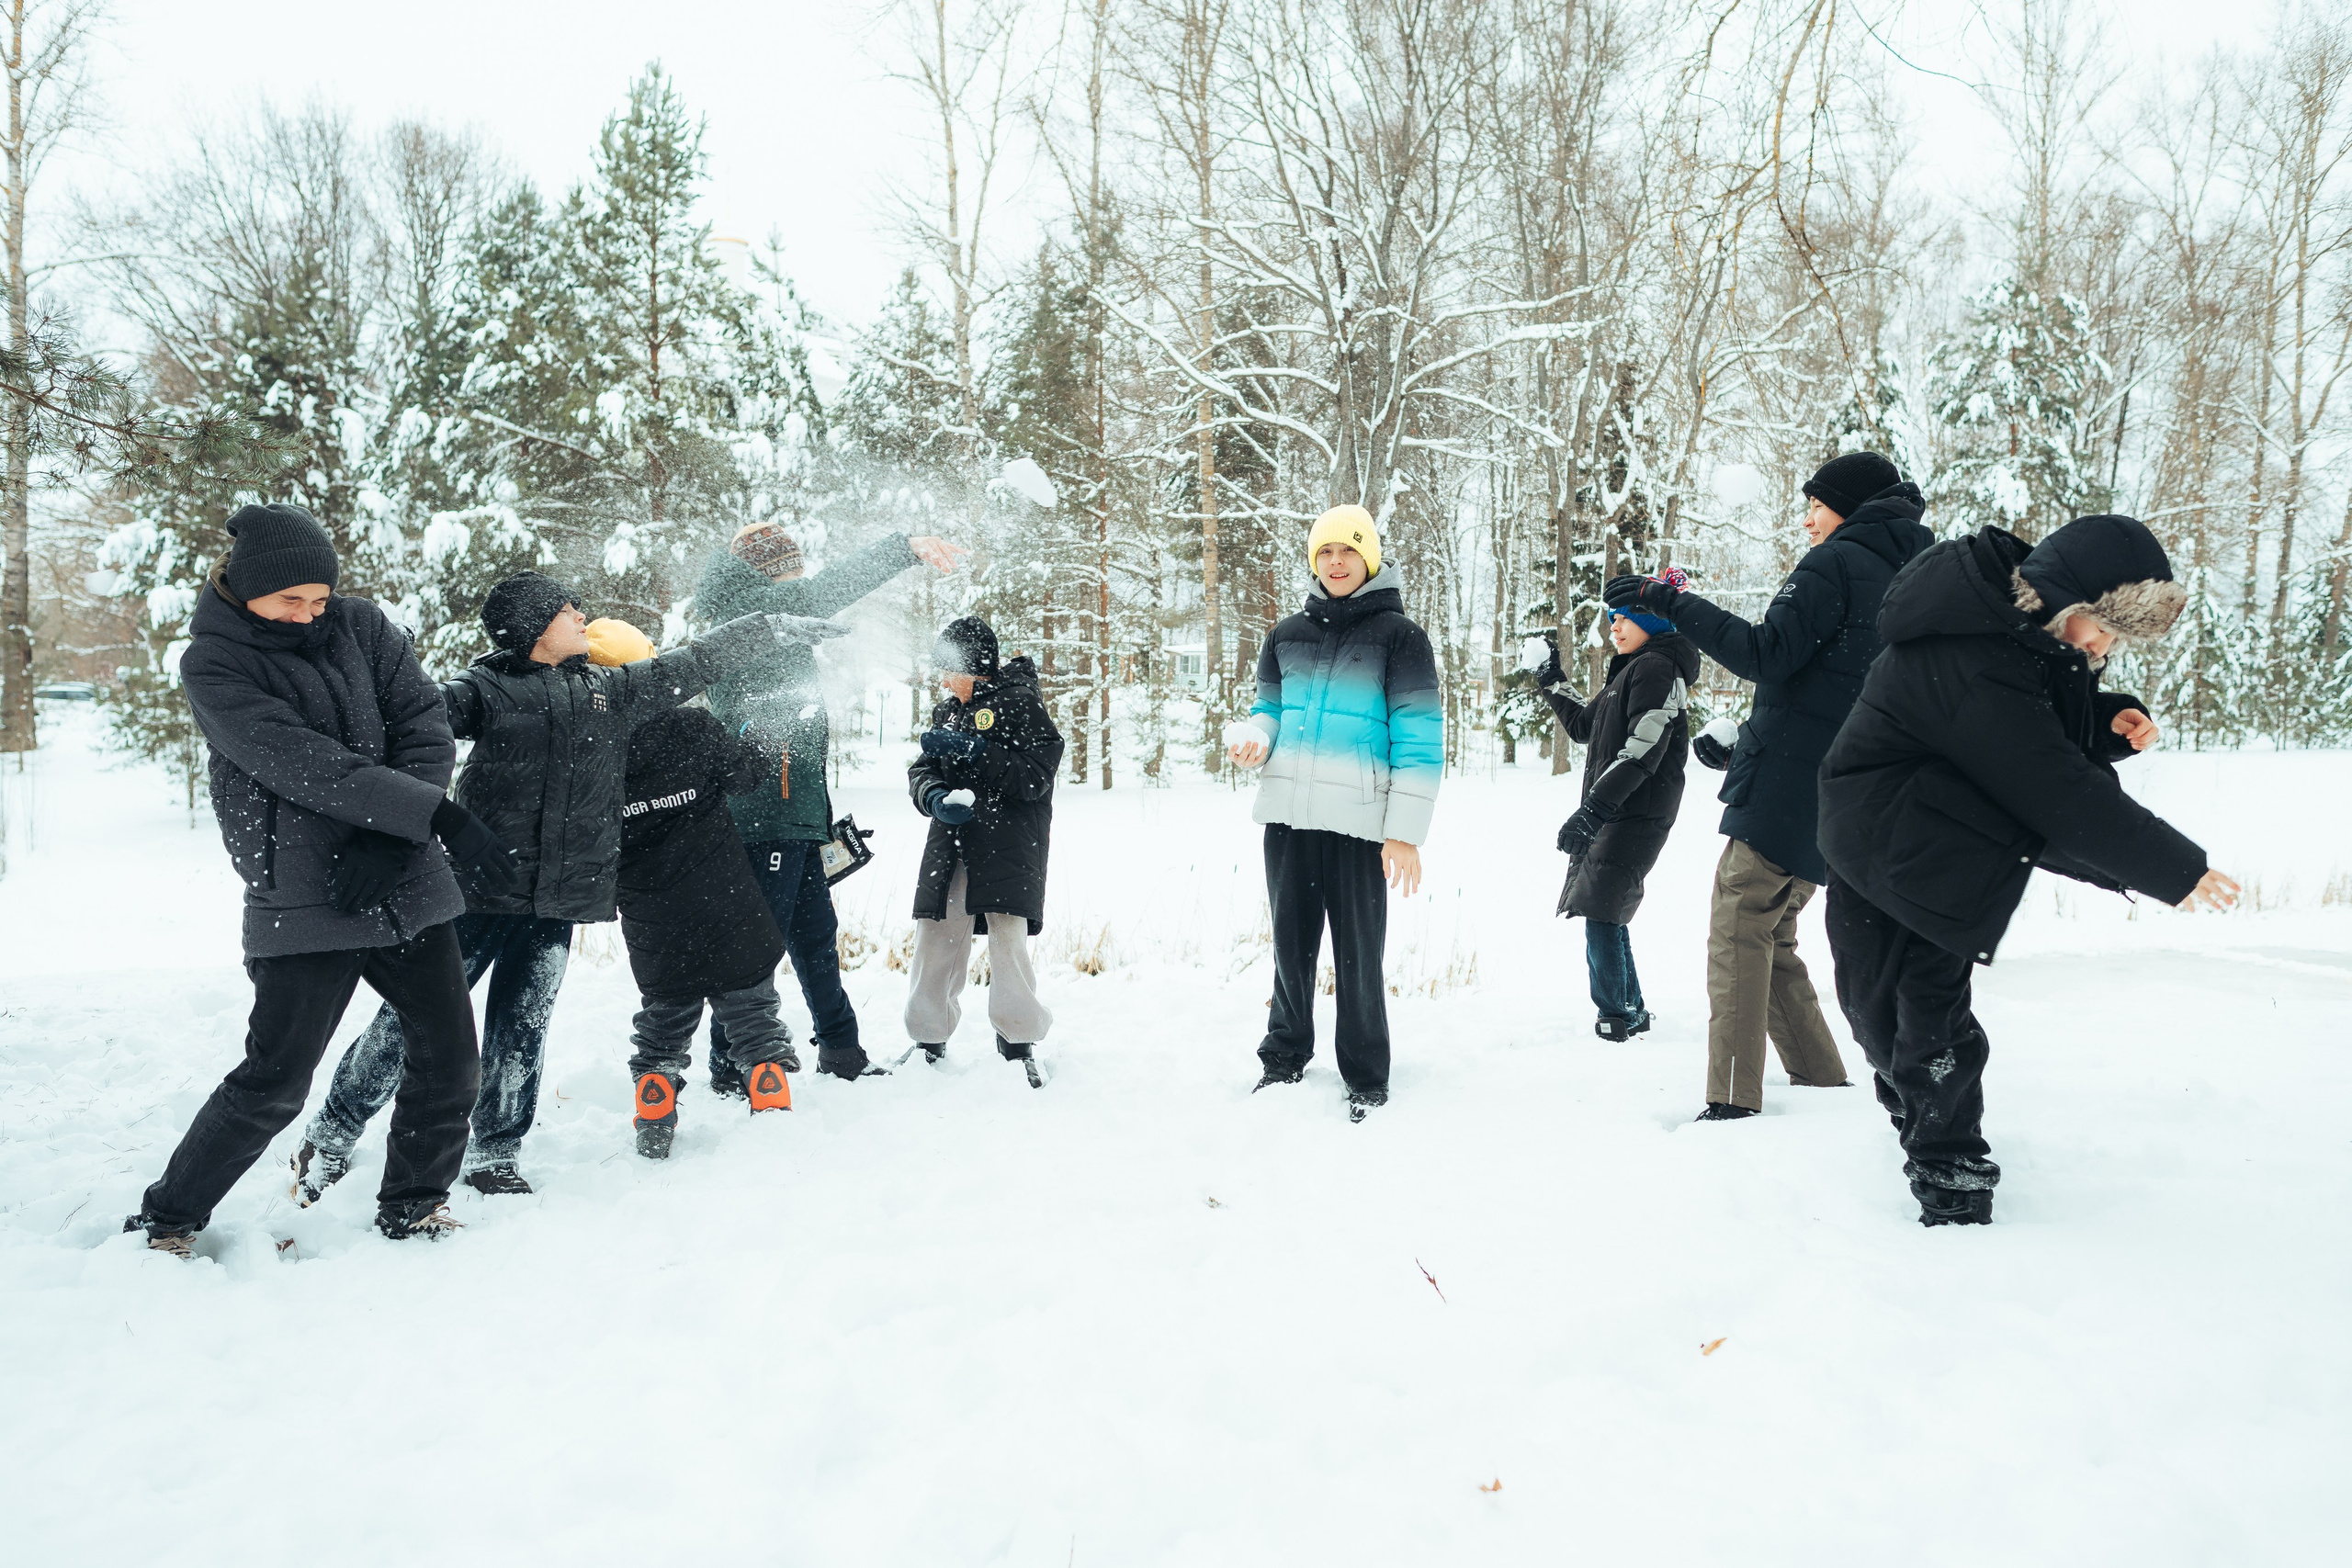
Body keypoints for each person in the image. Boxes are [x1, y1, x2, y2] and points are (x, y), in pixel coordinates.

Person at [295, 570, 842, 1201]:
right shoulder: (484, 690)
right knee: (408, 1022)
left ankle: (496, 1151)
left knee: (522, 1026)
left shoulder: (608, 692)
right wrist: (384, 660)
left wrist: (769, 628)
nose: (581, 614)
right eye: (566, 609)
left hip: (555, 902)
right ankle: (331, 1133)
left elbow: (697, 661)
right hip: (476, 893)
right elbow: (414, 717)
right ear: (533, 628)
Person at [1817, 513, 2239, 1226]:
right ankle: (1921, 1114)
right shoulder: (1972, 654)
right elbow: (2047, 782)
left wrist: (2105, 723)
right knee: (1872, 1013)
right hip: (1877, 841)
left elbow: (2027, 730)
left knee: (1928, 1018)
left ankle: (1951, 1170)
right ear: (2062, 599)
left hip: (1937, 855)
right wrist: (2176, 867)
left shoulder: (2006, 636)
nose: (2105, 648)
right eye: (2103, 628)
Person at [124, 504, 519, 1254]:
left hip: (404, 876)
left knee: (450, 1061)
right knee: (276, 1078)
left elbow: (424, 726)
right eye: (289, 602)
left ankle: (414, 1203)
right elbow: (298, 761)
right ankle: (169, 1216)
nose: (309, 616)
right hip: (307, 891)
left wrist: (400, 836)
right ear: (246, 593)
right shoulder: (213, 662)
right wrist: (433, 814)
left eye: (319, 599)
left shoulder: (363, 626)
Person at [1605, 450, 1932, 1122]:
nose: (1808, 520)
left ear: (1848, 507)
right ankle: (1819, 1081)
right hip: (1841, 786)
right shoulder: (1905, 573)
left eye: (1816, 505)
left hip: (1787, 787)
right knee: (1773, 933)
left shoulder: (1836, 562)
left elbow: (1766, 653)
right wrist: (1742, 738)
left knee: (1738, 924)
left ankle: (1731, 1099)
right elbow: (1828, 683)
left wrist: (1665, 598)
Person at [697, 524, 967, 1082]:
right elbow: (821, 593)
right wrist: (900, 548)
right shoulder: (746, 617)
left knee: (815, 939)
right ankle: (730, 1061)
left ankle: (842, 1052)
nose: (798, 586)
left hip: (796, 816)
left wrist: (819, 822)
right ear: (768, 575)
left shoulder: (766, 621)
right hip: (762, 816)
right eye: (790, 574)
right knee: (759, 946)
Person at [1226, 504, 1442, 1121]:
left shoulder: (1400, 638)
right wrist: (1255, 740)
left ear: (1369, 557)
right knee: (1290, 948)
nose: (1337, 561)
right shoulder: (1286, 635)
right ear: (1314, 560)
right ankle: (1284, 1055)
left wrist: (1403, 832)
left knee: (1357, 953)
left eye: (1348, 550)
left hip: (1359, 825)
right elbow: (1269, 709)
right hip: (1289, 819)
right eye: (1325, 552)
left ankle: (1367, 1075)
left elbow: (1421, 737)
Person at [582, 619, 801, 1159]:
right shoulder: (693, 729)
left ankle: (655, 1092)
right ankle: (768, 1083)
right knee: (751, 1007)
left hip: (650, 909)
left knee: (666, 1013)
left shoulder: (590, 750)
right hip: (723, 895)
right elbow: (747, 774)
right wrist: (766, 734)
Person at [1539, 571, 1701, 1042]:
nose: (1614, 626)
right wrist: (1551, 678)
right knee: (1605, 906)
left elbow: (1642, 751)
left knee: (1601, 907)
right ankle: (1630, 1010)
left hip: (1637, 809)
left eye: (1625, 617)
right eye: (1612, 618)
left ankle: (1616, 1016)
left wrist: (1592, 811)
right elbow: (1582, 726)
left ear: (1653, 620)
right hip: (1620, 808)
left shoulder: (1658, 669)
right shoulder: (1632, 672)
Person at [902, 616, 1064, 1082]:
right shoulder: (947, 709)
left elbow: (1035, 778)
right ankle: (927, 1039)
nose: (944, 679)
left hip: (1008, 846)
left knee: (1007, 942)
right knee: (936, 938)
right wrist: (933, 795)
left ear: (977, 667)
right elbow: (923, 769)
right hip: (951, 845)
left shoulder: (1021, 704)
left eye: (951, 668)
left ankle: (1019, 1042)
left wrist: (975, 750)